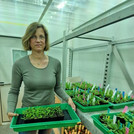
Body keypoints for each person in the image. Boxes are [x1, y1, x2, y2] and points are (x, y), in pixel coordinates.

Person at [7, 22, 76, 134]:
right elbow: (14, 91)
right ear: (28, 40)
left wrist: (68, 98)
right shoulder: (19, 64)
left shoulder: (55, 63)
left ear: (45, 40)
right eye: (34, 36)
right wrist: (10, 109)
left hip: (50, 112)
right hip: (29, 113)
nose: (38, 40)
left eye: (41, 36)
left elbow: (57, 87)